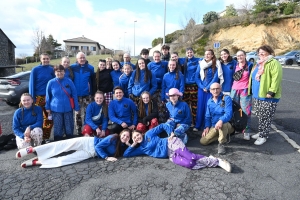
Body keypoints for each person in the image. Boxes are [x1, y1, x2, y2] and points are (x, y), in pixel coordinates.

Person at [123, 125, 232, 172]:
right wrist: (131, 145)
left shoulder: (149, 134)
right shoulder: (141, 148)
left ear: (141, 133)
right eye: (134, 138)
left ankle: (217, 162)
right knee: (190, 164)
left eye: (137, 135)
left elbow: (162, 126)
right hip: (170, 155)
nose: (137, 137)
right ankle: (210, 159)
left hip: (171, 143)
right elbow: (126, 154)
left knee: (191, 156)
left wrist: (170, 133)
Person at [16, 129, 131, 168]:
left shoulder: (122, 148)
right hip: (89, 142)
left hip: (91, 153)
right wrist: (106, 157)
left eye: (127, 137)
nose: (125, 137)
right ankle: (33, 150)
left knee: (66, 160)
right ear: (120, 134)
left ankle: (39, 161)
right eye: (124, 135)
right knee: (62, 146)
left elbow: (129, 154)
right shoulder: (113, 137)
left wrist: (131, 144)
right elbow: (99, 146)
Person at [248, 45, 282, 145]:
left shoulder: (273, 63)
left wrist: (271, 92)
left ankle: (263, 136)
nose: (260, 54)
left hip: (267, 96)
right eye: (259, 53)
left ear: (269, 52)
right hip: (257, 95)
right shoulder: (258, 63)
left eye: (263, 52)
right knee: (260, 115)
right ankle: (261, 132)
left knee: (266, 116)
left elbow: (276, 78)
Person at [45, 65, 80, 141]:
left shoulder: (69, 81)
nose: (59, 73)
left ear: (64, 72)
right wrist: (47, 107)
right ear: (54, 72)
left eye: (61, 71)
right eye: (57, 71)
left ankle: (70, 141)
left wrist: (76, 107)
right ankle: (58, 141)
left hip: (68, 108)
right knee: (58, 126)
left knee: (69, 126)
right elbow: (48, 96)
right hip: (56, 108)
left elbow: (74, 94)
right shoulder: (51, 83)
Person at [200, 83, 234, 155]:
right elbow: (207, 116)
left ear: (221, 89)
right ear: (210, 91)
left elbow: (228, 114)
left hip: (227, 124)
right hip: (214, 126)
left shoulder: (226, 98)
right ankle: (223, 135)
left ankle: (222, 143)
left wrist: (221, 120)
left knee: (223, 123)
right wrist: (207, 127)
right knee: (203, 141)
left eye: (217, 88)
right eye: (213, 89)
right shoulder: (209, 101)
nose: (215, 91)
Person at [194, 49, 223, 132]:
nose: (206, 56)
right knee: (200, 107)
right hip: (201, 89)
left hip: (212, 89)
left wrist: (208, 87)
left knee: (209, 107)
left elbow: (215, 78)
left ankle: (209, 125)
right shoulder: (201, 64)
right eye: (205, 54)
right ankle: (198, 125)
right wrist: (202, 86)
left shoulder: (216, 64)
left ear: (212, 55)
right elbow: (197, 77)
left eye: (209, 54)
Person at [29, 53, 55, 140]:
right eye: (44, 59)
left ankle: (45, 137)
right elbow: (31, 84)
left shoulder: (51, 69)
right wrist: (32, 98)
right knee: (37, 118)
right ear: (40, 59)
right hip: (38, 98)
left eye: (47, 59)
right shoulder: (35, 69)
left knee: (48, 118)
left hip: (49, 97)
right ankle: (36, 137)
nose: (46, 60)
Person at [230, 50, 253, 140]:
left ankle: (246, 131)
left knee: (246, 111)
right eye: (238, 55)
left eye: (241, 55)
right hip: (234, 90)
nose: (239, 57)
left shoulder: (250, 65)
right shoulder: (234, 65)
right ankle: (235, 128)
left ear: (245, 56)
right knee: (234, 110)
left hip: (245, 90)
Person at [71, 52, 95, 135]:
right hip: (76, 95)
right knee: (77, 113)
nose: (82, 59)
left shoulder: (90, 68)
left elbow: (93, 81)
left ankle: (86, 130)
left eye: (83, 57)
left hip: (87, 95)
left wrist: (93, 92)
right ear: (77, 59)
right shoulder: (72, 67)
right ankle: (78, 131)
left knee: (87, 113)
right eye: (80, 58)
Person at [178, 48, 201, 127]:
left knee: (194, 105)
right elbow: (175, 58)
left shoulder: (198, 60)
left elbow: (206, 59)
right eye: (188, 52)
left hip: (194, 85)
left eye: (191, 52)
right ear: (186, 54)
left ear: (193, 53)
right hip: (186, 86)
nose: (189, 54)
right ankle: (186, 122)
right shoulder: (183, 60)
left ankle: (195, 123)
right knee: (185, 104)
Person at [147, 50, 168, 122]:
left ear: (160, 56)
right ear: (153, 57)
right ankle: (152, 120)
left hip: (162, 88)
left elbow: (174, 63)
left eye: (158, 56)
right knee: (152, 104)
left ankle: (162, 121)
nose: (157, 58)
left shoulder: (165, 64)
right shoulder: (149, 65)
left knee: (161, 104)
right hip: (153, 88)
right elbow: (147, 76)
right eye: (155, 56)